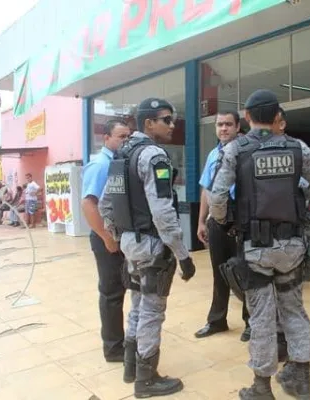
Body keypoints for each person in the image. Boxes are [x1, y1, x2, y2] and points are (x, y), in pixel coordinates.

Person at [209, 89, 310, 399]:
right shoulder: (297, 148)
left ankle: (262, 388)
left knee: (262, 318)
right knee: (294, 311)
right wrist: (297, 195)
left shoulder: (235, 149)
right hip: (291, 245)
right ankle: (301, 380)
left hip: (256, 249)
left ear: (247, 117)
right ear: (277, 116)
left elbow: (217, 198)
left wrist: (226, 222)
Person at [99, 98, 196, 398]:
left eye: (172, 119)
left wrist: (118, 234)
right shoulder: (154, 156)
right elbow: (163, 213)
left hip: (131, 244)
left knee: (138, 305)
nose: (172, 125)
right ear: (149, 123)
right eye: (166, 119)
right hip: (152, 245)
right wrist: (183, 255)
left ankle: (131, 367)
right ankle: (146, 378)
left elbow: (106, 204)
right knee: (153, 311)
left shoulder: (122, 154)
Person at [195, 110, 251, 342]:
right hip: (218, 222)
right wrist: (201, 221)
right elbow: (206, 189)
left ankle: (251, 323)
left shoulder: (248, 152)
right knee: (220, 273)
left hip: (242, 221)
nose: (223, 129)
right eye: (219, 125)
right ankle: (217, 320)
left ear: (238, 127)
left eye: (228, 124)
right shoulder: (213, 155)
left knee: (246, 272)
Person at [81, 118, 131, 363]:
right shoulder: (100, 165)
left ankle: (120, 340)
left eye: (128, 137)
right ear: (107, 138)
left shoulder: (118, 162)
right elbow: (88, 204)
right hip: (107, 238)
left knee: (121, 289)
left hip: (120, 237)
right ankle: (113, 348)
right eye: (121, 136)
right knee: (111, 292)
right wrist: (106, 238)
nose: (125, 141)